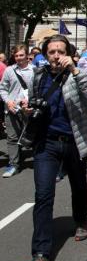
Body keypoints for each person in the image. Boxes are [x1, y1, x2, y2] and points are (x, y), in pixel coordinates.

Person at [21, 35, 87, 261]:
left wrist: (75, 70)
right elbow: (34, 103)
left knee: (78, 185)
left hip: (75, 141)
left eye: (61, 51)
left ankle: (81, 220)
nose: (56, 55)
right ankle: (41, 252)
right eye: (52, 51)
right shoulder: (38, 76)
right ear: (45, 54)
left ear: (68, 53)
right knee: (43, 194)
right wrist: (28, 110)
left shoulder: (77, 74)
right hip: (47, 143)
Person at [0, 44, 34, 177]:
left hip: (28, 109)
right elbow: (2, 89)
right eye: (16, 55)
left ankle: (40, 162)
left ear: (27, 55)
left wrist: (30, 101)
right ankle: (14, 165)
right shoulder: (9, 70)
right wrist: (7, 100)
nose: (19, 58)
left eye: (21, 55)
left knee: (31, 136)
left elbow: (38, 90)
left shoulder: (34, 70)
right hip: (12, 109)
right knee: (12, 137)